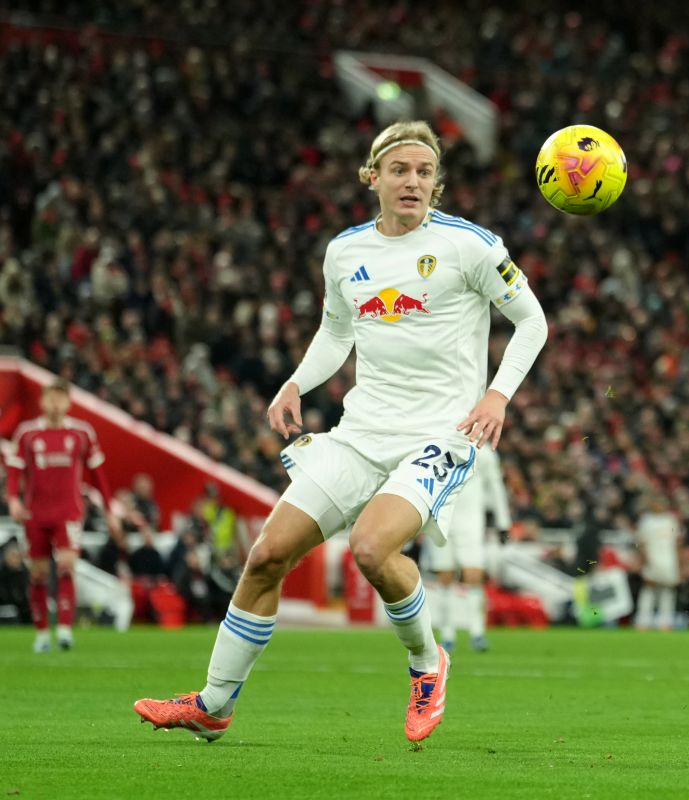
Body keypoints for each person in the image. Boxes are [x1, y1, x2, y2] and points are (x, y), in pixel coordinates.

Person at [134, 120, 549, 743]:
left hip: (440, 433)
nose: (413, 181)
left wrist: (498, 394)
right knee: (266, 556)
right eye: (400, 170)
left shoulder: (471, 246)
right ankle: (213, 704)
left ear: (436, 182)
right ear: (372, 176)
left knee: (372, 548)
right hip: (360, 432)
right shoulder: (345, 252)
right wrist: (296, 383)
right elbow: (336, 333)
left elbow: (532, 322)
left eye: (425, 172)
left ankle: (427, 662)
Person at [3, 379, 121, 651]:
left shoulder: (82, 433)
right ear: (42, 401)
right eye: (51, 398)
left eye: (60, 398)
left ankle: (65, 630)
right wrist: (12, 499)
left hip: (68, 512)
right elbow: (15, 470)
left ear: (68, 402)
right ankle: (42, 634)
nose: (55, 403)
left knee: (67, 566)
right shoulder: (27, 433)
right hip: (35, 514)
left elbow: (99, 475)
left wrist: (109, 511)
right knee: (38, 574)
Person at [424, 444, 512, 653]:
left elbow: (495, 485)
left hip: (471, 522)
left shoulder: (483, 451)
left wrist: (503, 522)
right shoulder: (438, 443)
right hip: (440, 518)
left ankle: (477, 632)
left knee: (474, 575)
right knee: (445, 576)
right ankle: (447, 634)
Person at [633, 492, 682, 631]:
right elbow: (641, 543)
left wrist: (679, 563)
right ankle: (643, 621)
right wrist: (644, 560)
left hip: (669, 561)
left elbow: (677, 542)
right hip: (652, 560)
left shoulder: (671, 519)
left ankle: (665, 622)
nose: (660, 506)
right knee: (648, 589)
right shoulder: (646, 520)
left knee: (667, 590)